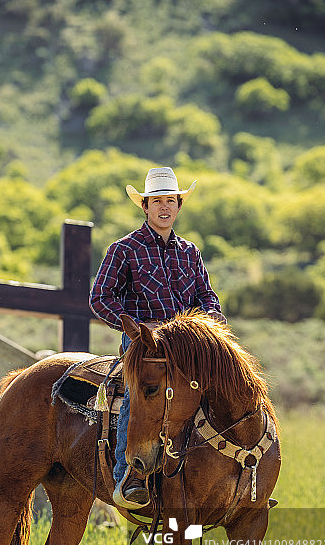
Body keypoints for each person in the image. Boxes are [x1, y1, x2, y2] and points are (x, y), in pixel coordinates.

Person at [89, 166, 225, 510]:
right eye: (156, 201)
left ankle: (226, 475)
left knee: (223, 393)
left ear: (178, 206)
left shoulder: (189, 252)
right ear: (145, 207)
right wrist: (134, 329)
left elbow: (206, 296)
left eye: (170, 201)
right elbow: (100, 297)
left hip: (186, 348)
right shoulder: (125, 249)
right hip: (144, 346)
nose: (164, 207)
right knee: (140, 395)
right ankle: (130, 476)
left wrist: (211, 320)